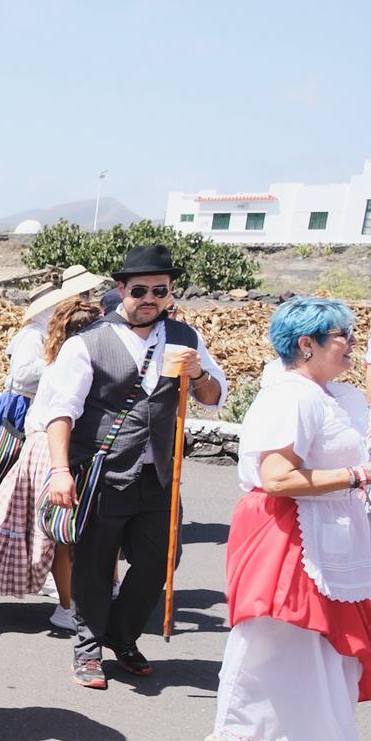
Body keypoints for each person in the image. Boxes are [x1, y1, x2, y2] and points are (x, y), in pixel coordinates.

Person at [199, 298, 370, 741]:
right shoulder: (289, 396)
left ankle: (303, 740)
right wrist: (359, 476)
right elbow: (277, 478)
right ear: (307, 343)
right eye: (342, 334)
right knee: (272, 637)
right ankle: (229, 740)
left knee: (322, 644)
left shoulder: (337, 395)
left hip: (334, 530)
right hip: (287, 526)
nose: (352, 342)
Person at [41, 245, 226, 689]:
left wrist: (198, 374)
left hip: (159, 473)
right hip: (103, 470)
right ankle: (88, 646)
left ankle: (122, 637)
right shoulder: (86, 343)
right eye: (139, 289)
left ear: (169, 292)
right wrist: (60, 470)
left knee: (159, 562)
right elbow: (60, 411)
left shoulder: (185, 337)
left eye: (158, 291)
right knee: (95, 565)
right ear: (121, 289)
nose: (149, 298)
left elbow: (214, 398)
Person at [0, 296, 102, 629]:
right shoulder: (61, 360)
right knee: (52, 534)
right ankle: (66, 606)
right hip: (47, 448)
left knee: (28, 528)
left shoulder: (64, 358)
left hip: (48, 447)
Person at [0, 266, 105, 537]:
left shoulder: (43, 334)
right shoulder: (33, 336)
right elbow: (22, 373)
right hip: (18, 406)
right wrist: (57, 365)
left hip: (26, 404)